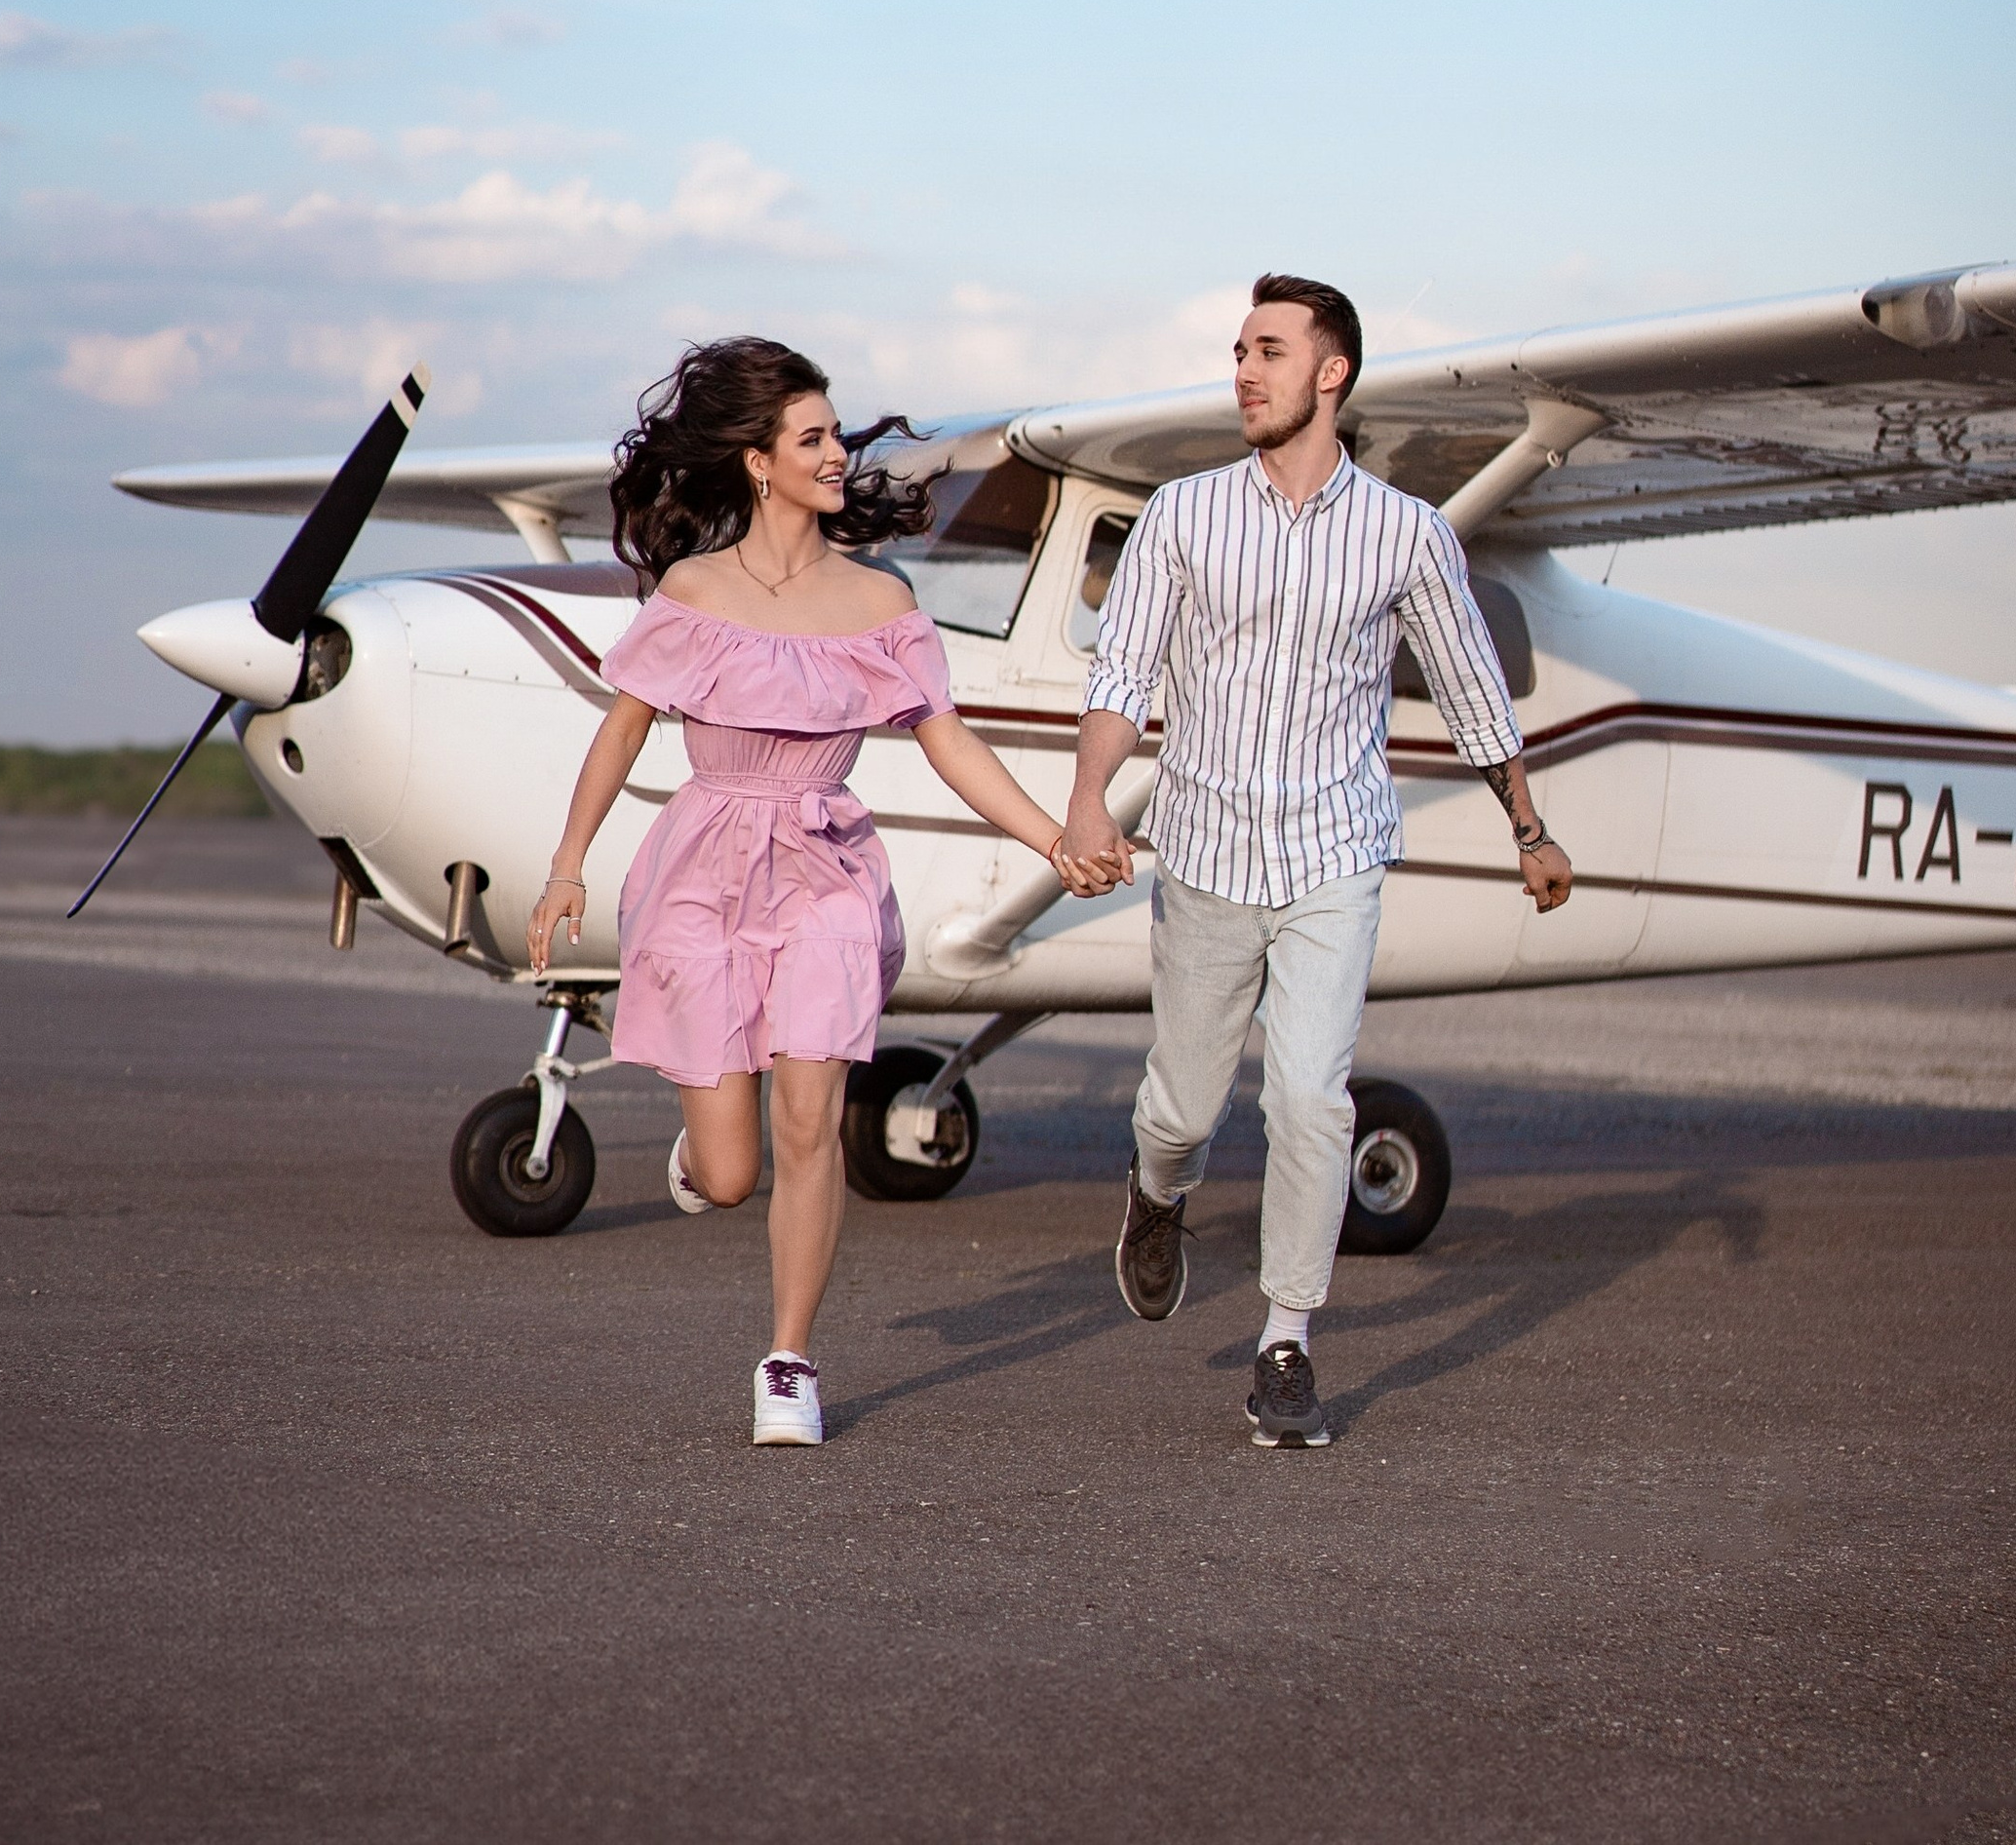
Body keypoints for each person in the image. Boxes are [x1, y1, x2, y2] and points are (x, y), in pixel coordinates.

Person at [527, 338, 1101, 1449]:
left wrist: (1053, 840)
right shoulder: (695, 591)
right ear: (758, 462)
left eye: (836, 434)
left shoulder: (879, 599)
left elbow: (950, 743)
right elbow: (621, 733)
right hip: (703, 867)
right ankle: (700, 1158)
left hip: (825, 870)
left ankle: (788, 1360)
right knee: (730, 1174)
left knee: (810, 1121)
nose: (839, 453)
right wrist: (567, 866)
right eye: (814, 437)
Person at [1058, 274, 1573, 1450]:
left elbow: (1471, 688)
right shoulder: (1180, 515)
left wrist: (1528, 829)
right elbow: (1122, 675)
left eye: (1269, 351)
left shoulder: (1407, 533)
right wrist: (1087, 804)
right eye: (1239, 350)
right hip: (1203, 848)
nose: (1243, 370)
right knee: (1182, 1110)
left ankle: (1285, 1340)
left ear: (1330, 372)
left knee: (1308, 1097)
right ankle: (1157, 1192)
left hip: (1336, 852)